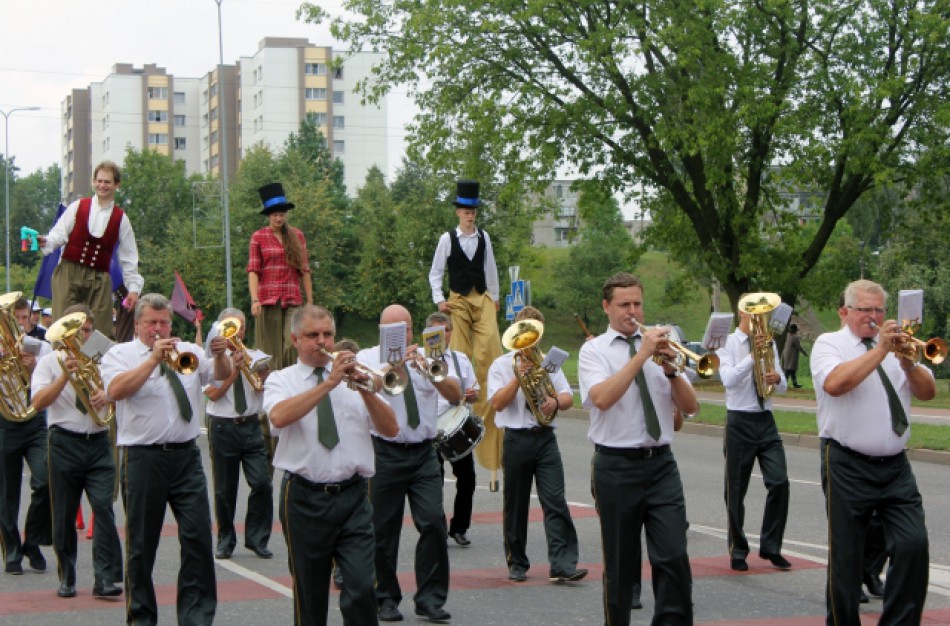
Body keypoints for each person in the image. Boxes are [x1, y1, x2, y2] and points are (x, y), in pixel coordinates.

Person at [101, 293, 231, 625]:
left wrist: (219, 355)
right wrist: (152, 361)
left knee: (199, 538)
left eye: (164, 323)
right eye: (151, 324)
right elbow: (116, 391)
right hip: (143, 459)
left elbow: (217, 377)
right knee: (142, 546)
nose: (158, 330)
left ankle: (196, 617)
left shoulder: (188, 351)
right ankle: (142, 618)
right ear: (139, 325)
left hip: (186, 456)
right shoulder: (121, 354)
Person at [810, 279, 935, 626]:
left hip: (895, 466)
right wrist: (879, 351)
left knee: (913, 545)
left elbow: (928, 393)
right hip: (846, 462)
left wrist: (908, 364)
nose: (874, 316)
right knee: (846, 560)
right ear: (845, 311)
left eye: (879, 309)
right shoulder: (829, 344)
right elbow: (835, 385)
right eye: (865, 309)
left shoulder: (899, 348)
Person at [265, 305, 398, 626]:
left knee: (362, 586)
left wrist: (364, 390)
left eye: (327, 334)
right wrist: (328, 383)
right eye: (313, 335)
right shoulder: (282, 379)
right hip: (304, 498)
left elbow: (391, 428)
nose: (321, 341)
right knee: (310, 596)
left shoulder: (358, 378)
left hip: (353, 496)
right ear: (295, 339)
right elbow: (279, 417)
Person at [578, 272, 698, 626]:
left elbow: (689, 409)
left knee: (674, 556)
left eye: (637, 303)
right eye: (624, 304)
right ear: (606, 307)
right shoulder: (593, 350)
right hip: (616, 466)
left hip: (661, 464)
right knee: (620, 565)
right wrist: (640, 355)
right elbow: (601, 398)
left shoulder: (663, 345)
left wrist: (673, 372)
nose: (632, 311)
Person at [357, 304, 461, 623]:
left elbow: (456, 395)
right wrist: (394, 364)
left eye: (406, 329)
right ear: (381, 331)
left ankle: (429, 598)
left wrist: (429, 369)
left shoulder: (430, 356)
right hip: (384, 451)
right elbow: (366, 388)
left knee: (432, 521)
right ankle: (384, 597)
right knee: (382, 528)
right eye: (393, 330)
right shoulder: (367, 358)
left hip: (423, 453)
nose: (402, 335)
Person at [488, 306, 587, 585]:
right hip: (516, 439)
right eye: (526, 332)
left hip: (545, 438)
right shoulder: (500, 365)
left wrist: (555, 401)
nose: (531, 341)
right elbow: (497, 403)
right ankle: (517, 563)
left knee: (555, 501)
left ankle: (562, 564)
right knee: (516, 505)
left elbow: (568, 397)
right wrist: (518, 378)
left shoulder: (548, 362)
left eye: (535, 334)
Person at [30, 305, 122, 599]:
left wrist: (108, 397)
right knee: (65, 514)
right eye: (76, 331)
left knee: (104, 509)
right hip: (63, 442)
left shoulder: (105, 359)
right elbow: (39, 402)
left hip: (97, 441)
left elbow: (123, 394)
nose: (82, 336)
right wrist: (64, 378)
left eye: (85, 330)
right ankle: (67, 575)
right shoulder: (50, 361)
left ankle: (105, 578)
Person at [428, 180, 503, 472]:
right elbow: (435, 273)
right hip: (457, 299)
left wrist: (494, 298)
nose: (470, 215)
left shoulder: (484, 237)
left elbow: (491, 270)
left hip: (481, 297)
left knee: (490, 352)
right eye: (465, 211)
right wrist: (439, 300)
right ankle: (453, 414)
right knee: (457, 354)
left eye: (473, 211)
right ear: (458, 213)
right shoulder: (447, 239)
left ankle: (489, 413)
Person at [717, 305, 791, 572]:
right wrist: (752, 356)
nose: (760, 320)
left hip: (765, 420)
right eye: (754, 315)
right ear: (742, 315)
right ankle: (738, 549)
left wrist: (777, 377)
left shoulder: (768, 342)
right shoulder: (727, 343)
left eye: (764, 315)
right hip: (739, 420)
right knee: (736, 490)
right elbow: (727, 379)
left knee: (780, 481)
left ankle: (772, 547)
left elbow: (780, 385)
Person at [38, 160, 143, 338]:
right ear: (94, 182)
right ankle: (61, 363)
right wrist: (46, 241)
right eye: (99, 181)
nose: (102, 185)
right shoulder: (78, 207)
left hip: (99, 279)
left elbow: (129, 258)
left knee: (101, 331)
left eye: (107, 182)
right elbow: (59, 234)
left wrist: (133, 289)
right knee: (63, 326)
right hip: (69, 273)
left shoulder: (121, 219)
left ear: (116, 185)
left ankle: (97, 365)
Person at [205, 308, 273, 561]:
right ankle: (225, 540)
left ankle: (257, 539)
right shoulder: (212, 359)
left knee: (262, 483)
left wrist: (262, 376)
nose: (236, 331)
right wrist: (234, 370)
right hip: (223, 425)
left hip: (251, 425)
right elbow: (212, 394)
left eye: (240, 326)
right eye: (229, 327)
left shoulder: (257, 356)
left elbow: (262, 388)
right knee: (225, 488)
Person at [0, 301, 53, 576]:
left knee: (45, 481)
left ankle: (32, 541)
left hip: (34, 421)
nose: (21, 323)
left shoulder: (39, 347)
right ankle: (11, 548)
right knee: (6, 493)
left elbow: (48, 386)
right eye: (15, 318)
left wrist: (33, 369)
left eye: (24, 317)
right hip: (4, 423)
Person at [425, 312, 479, 547]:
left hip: (455, 427)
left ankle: (459, 527)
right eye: (437, 331)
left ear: (450, 333)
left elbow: (473, 390)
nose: (442, 335)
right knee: (432, 482)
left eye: (446, 330)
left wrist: (473, 394)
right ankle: (436, 527)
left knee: (467, 478)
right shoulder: (419, 358)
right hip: (430, 429)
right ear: (428, 334)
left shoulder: (460, 359)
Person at [247, 182, 312, 370]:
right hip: (267, 299)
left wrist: (309, 301)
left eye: (282, 214)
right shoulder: (258, 237)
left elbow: (305, 270)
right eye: (275, 214)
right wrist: (254, 300)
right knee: (269, 349)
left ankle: (291, 376)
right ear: (269, 215)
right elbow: (253, 270)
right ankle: (273, 384)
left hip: (293, 299)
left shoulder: (297, 236)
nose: (279, 218)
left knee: (293, 342)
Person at [782, 323, 808, 388]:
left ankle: (793, 383)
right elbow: (798, 347)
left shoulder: (788, 336)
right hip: (792, 355)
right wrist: (805, 353)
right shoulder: (795, 337)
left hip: (786, 354)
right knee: (790, 369)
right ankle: (787, 383)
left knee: (789, 369)